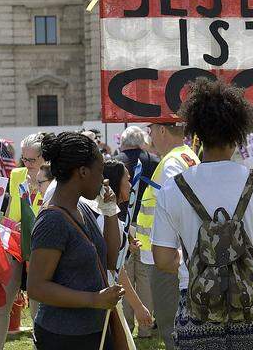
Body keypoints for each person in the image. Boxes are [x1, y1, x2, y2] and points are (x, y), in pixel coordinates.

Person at [152, 78, 253, 350]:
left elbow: (162, 259)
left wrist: (196, 259)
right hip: (250, 304)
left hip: (197, 306)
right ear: (238, 133)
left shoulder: (172, 189)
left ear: (196, 133)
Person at [27, 132, 124, 350]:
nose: (103, 179)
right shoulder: (52, 220)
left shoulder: (81, 208)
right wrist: (93, 300)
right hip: (64, 337)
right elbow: (36, 287)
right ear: (82, 172)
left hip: (95, 330)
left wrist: (110, 211)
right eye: (100, 172)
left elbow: (109, 259)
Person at [139, 120, 200, 350]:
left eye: (151, 130)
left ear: (162, 130)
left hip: (167, 259)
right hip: (175, 256)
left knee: (171, 327)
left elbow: (180, 204)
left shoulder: (171, 162)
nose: (150, 136)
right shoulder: (187, 155)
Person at [0, 133, 46, 350]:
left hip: (40, 249)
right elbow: (11, 214)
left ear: (44, 158)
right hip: (14, 247)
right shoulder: (16, 175)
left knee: (37, 308)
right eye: (25, 159)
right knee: (2, 305)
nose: (28, 165)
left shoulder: (52, 178)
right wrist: (13, 226)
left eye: (32, 160)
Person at [113, 126, 159, 338]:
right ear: (141, 141)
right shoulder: (153, 160)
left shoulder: (115, 162)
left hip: (121, 225)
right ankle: (146, 327)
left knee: (124, 277)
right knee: (145, 280)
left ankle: (127, 326)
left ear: (123, 142)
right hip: (148, 230)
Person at [102, 159, 154, 334]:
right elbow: (116, 269)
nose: (131, 185)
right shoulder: (105, 219)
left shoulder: (108, 216)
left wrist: (127, 244)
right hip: (104, 300)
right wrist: (138, 307)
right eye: (128, 180)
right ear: (116, 183)